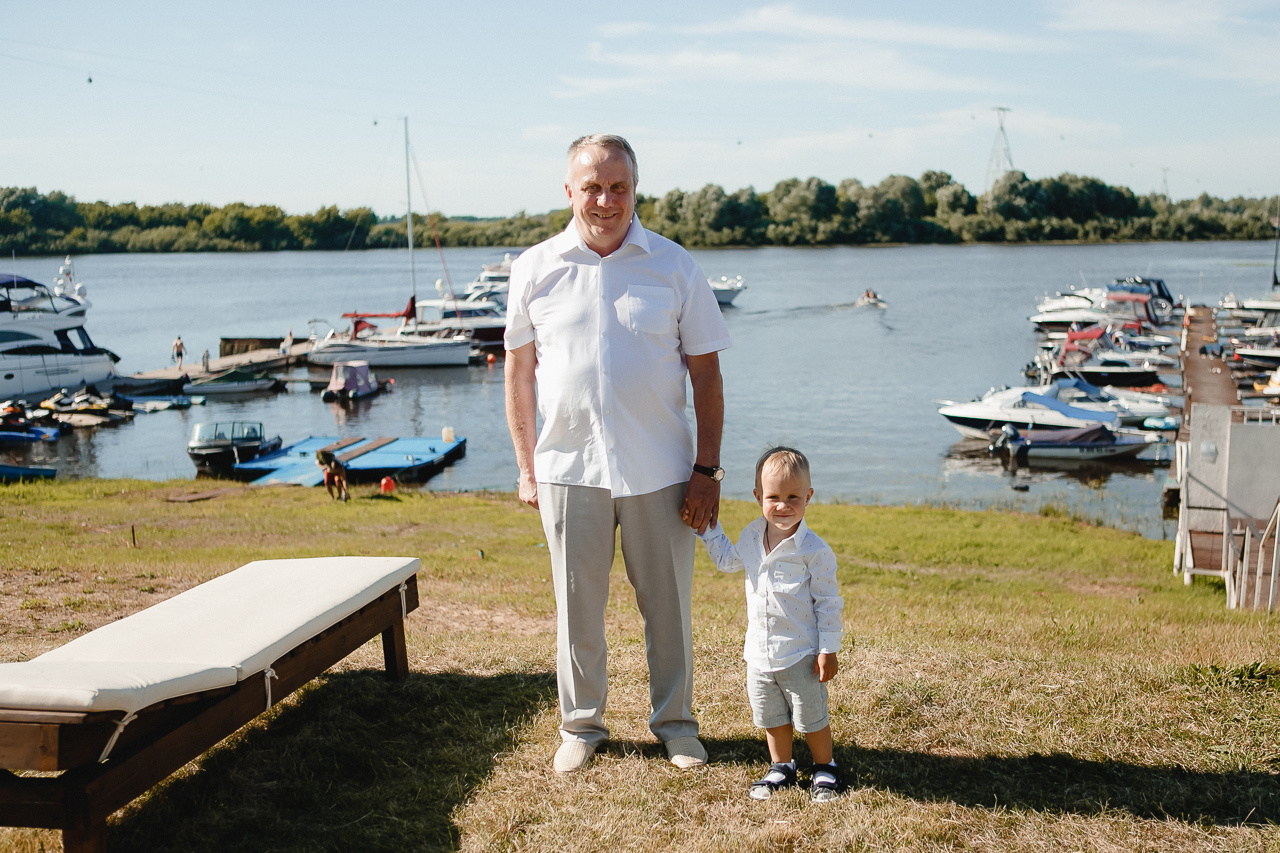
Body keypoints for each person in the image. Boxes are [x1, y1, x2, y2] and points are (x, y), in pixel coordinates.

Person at [504, 134, 731, 774]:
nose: (605, 201)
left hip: (660, 468)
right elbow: (519, 377)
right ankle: (581, 726)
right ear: (569, 192)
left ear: (636, 190)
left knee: (670, 608)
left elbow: (707, 376)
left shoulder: (675, 266)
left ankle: (677, 724)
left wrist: (707, 470)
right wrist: (527, 467)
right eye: (592, 187)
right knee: (577, 608)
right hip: (568, 468)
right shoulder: (535, 268)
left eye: (618, 187)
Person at [695, 447, 844, 803]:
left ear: (808, 497)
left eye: (793, 497)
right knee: (771, 715)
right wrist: (705, 529)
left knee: (811, 716)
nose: (783, 505)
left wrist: (828, 649)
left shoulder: (814, 550)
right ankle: (782, 765)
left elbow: (828, 603)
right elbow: (730, 562)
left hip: (800, 653)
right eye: (773, 496)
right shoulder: (750, 536)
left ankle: (826, 766)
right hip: (759, 654)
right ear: (758, 496)